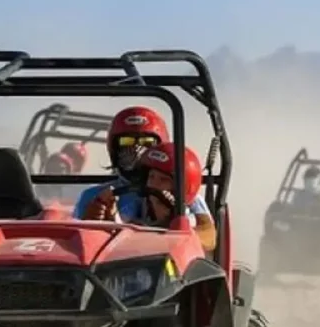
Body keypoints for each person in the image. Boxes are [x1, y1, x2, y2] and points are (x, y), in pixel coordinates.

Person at [73, 105, 213, 222]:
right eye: (127, 142)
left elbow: (208, 236)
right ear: (114, 147)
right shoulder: (95, 196)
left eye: (147, 143)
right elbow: (75, 242)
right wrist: (90, 222)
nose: (136, 149)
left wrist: (176, 220)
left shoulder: (178, 190)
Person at [84, 143, 218, 251]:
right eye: (152, 177)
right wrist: (107, 217)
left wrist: (179, 232)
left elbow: (208, 237)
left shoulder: (188, 214)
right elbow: (124, 227)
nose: (154, 184)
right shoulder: (140, 203)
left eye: (163, 180)